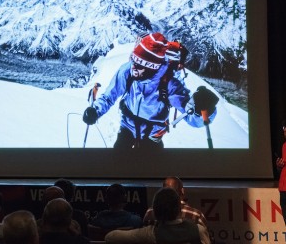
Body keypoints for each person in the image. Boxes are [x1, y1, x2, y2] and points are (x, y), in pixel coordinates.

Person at [82, 32, 219, 150]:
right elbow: (109, 96)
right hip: (127, 127)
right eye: (133, 61)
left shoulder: (169, 84)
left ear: (151, 67)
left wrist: (206, 109)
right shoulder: (127, 70)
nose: (133, 67)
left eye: (139, 65)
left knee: (150, 175)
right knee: (118, 166)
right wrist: (95, 111)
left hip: (153, 134)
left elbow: (192, 118)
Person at [105, 187, 211, 244]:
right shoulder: (198, 230)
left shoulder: (149, 234)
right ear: (179, 209)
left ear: (155, 213)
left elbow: (110, 237)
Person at [143, 176, 207, 228]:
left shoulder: (150, 213)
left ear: (162, 192)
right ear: (182, 191)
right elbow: (206, 239)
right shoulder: (196, 215)